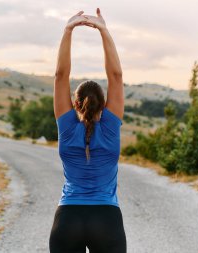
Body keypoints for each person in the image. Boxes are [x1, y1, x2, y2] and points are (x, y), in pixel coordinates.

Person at [49, 8, 127, 253]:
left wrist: (68, 30)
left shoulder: (67, 126)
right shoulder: (111, 128)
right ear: (105, 105)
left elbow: (60, 76)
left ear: (75, 104)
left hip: (67, 219)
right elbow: (116, 75)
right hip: (107, 219)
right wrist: (104, 30)